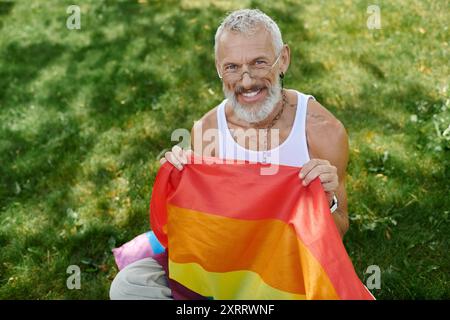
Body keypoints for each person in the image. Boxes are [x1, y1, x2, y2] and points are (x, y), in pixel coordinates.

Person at [110, 8, 349, 300]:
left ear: (283, 59)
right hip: (226, 268)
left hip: (288, 273)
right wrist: (179, 187)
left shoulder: (321, 131)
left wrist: (328, 202)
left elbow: (338, 234)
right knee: (129, 285)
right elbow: (201, 235)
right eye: (232, 67)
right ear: (218, 68)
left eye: (259, 63)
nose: (246, 81)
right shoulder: (208, 131)